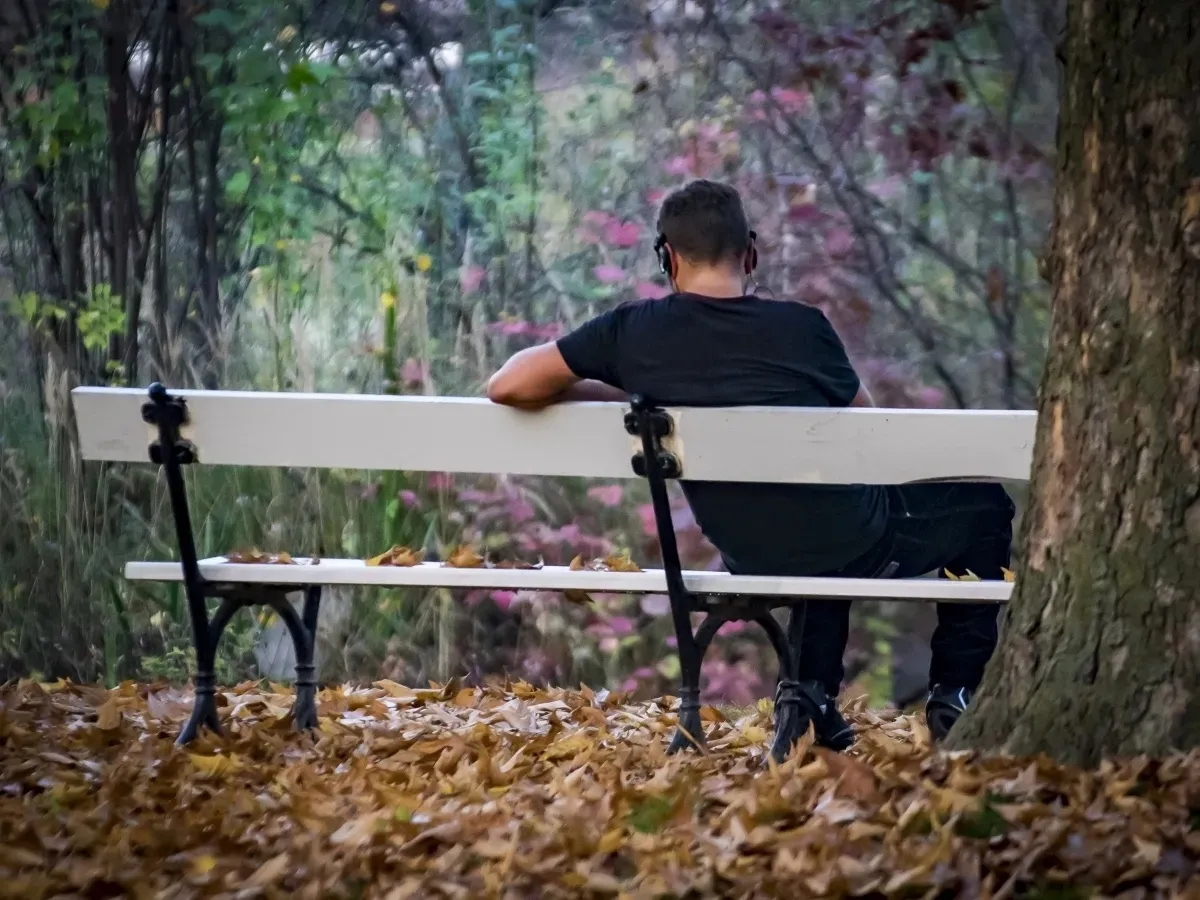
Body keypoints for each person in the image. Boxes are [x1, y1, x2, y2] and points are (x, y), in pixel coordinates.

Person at [486, 179, 1014, 746]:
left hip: (746, 546)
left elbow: (509, 384)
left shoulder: (632, 332)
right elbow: (872, 436)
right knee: (984, 510)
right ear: (751, 251)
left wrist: (635, 399)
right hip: (848, 539)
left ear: (667, 256)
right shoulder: (803, 328)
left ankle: (810, 695)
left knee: (811, 526)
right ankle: (954, 692)